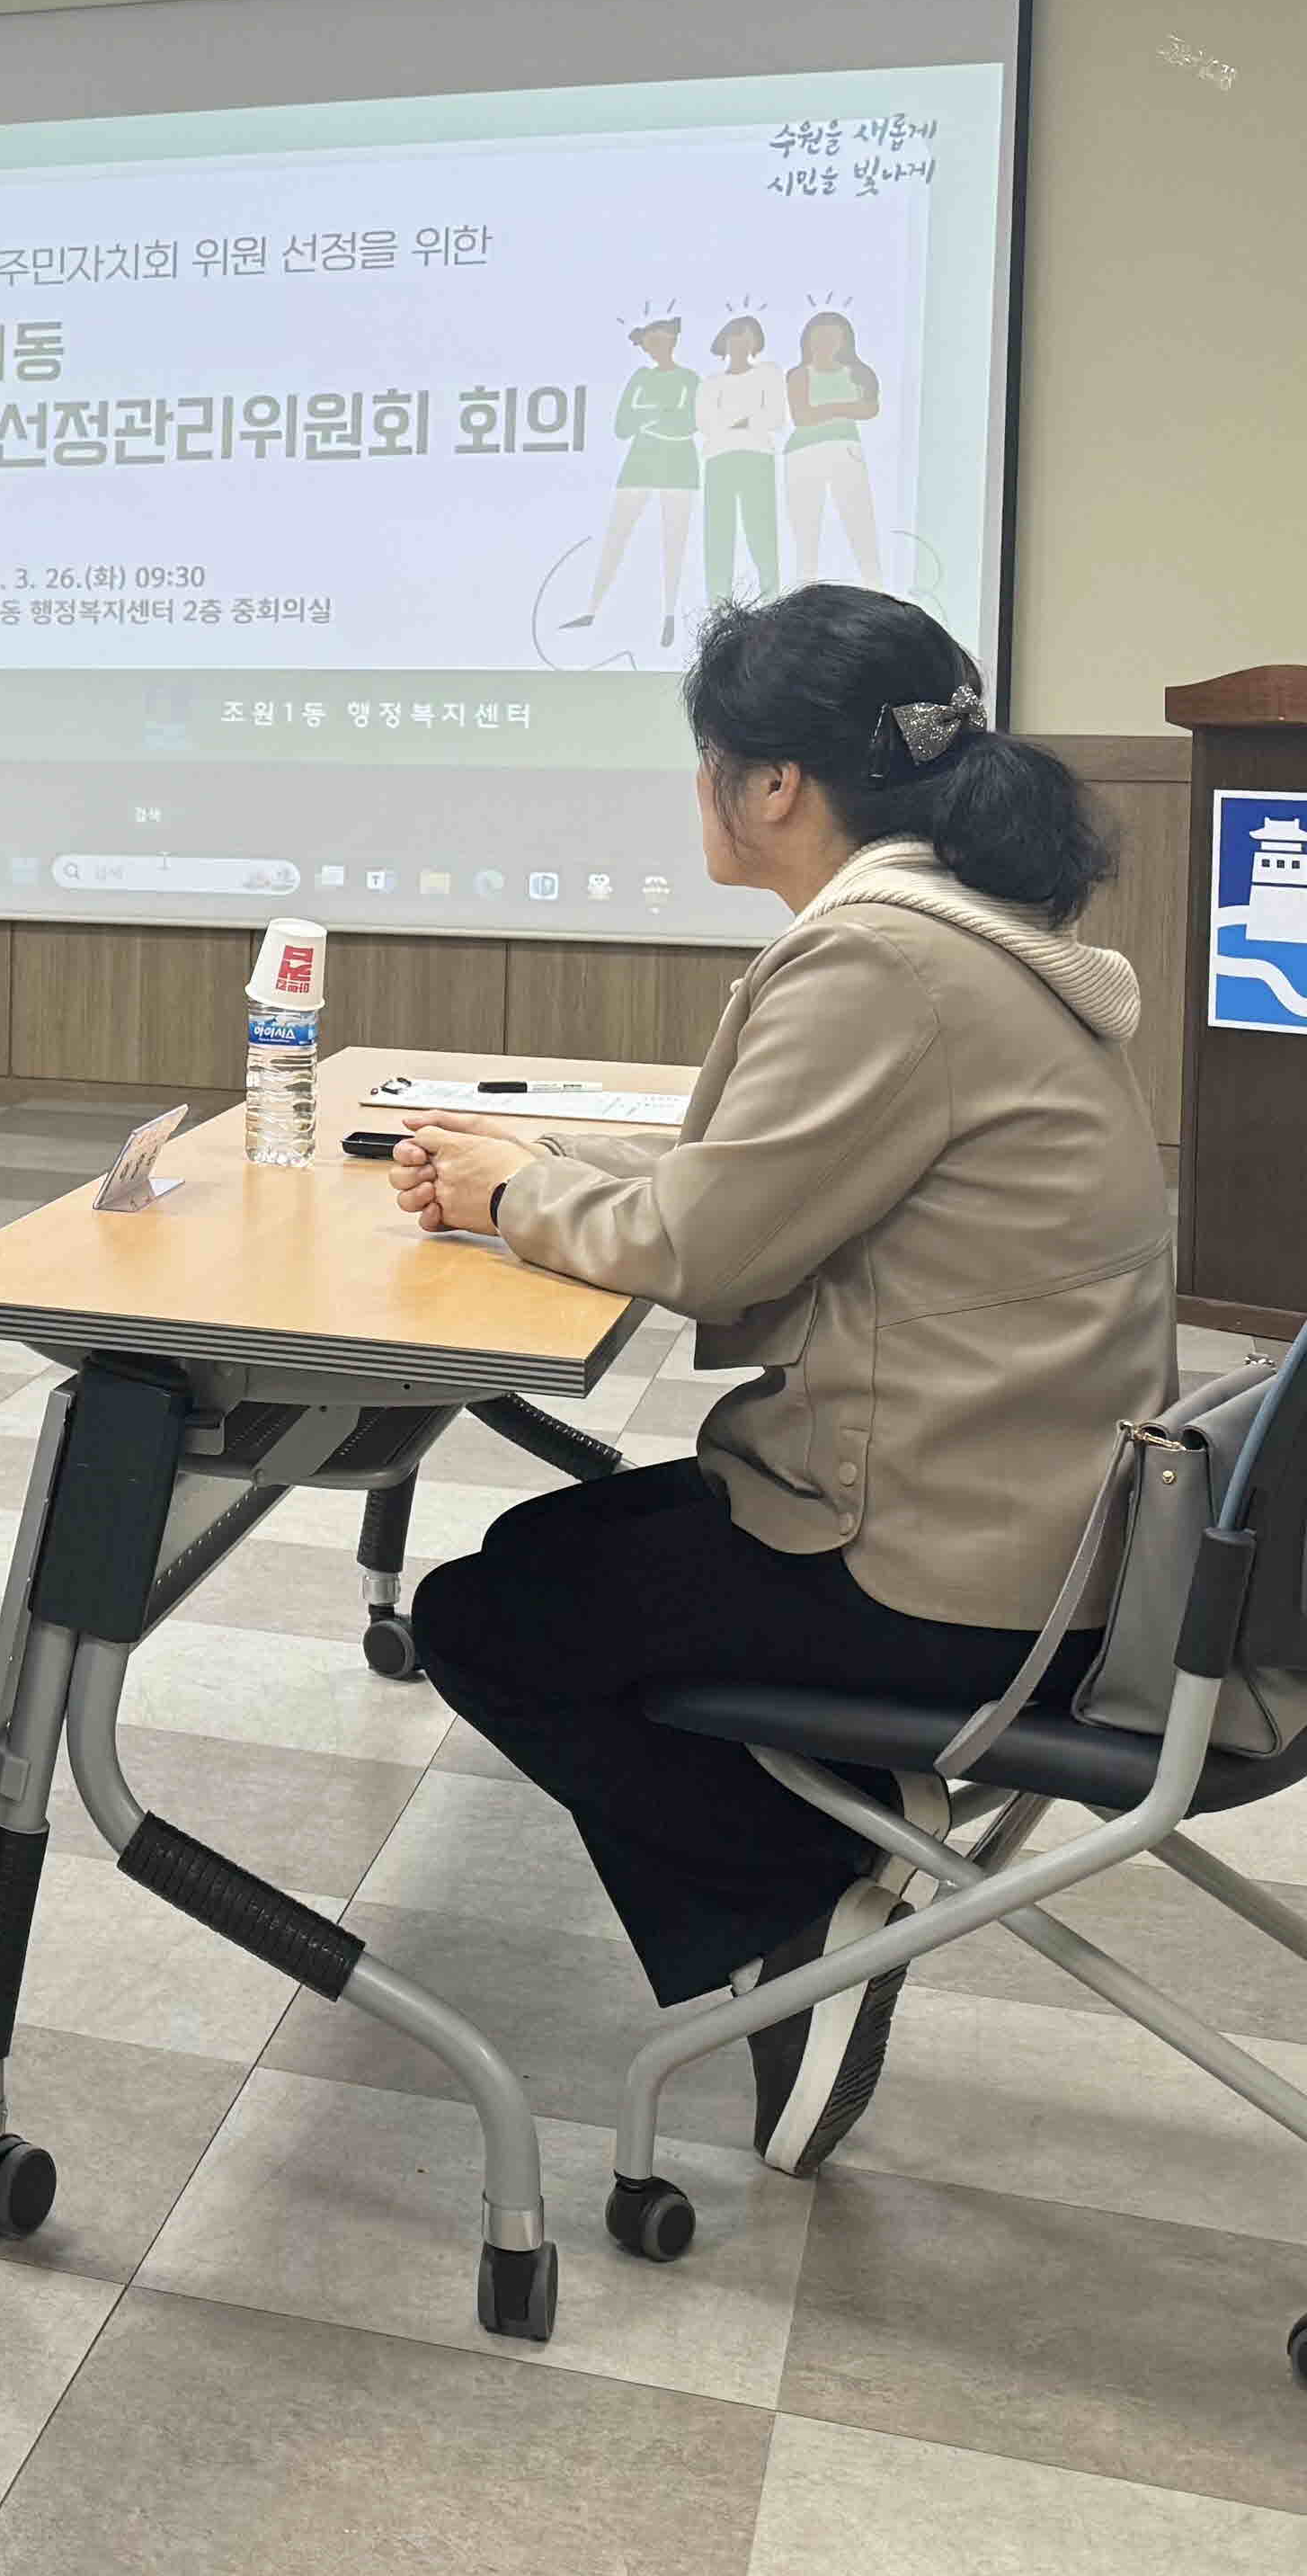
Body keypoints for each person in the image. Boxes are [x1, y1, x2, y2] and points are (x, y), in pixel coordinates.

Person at [387, 584, 1167, 2184]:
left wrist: (503, 1196)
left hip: (944, 1557)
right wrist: (542, 1160)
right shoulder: (955, 937)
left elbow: (713, 1247)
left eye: (708, 762)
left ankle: (789, 1927)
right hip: (1027, 1506)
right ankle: (812, 1859)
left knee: (492, 1617)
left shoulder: (878, 962)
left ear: (770, 788)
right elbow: (764, 1174)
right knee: (548, 1560)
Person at [564, 315, 698, 646]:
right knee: (617, 536)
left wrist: (649, 417)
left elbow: (688, 424)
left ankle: (669, 616)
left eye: (661, 340)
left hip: (680, 465)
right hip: (639, 463)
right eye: (650, 343)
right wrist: (661, 417)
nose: (655, 348)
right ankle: (592, 609)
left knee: (674, 542)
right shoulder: (639, 377)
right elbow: (623, 425)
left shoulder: (689, 379)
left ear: (672, 341)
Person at [782, 310, 885, 587]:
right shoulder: (799, 374)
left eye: (832, 337)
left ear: (844, 341)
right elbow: (802, 417)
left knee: (860, 523)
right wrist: (845, 407)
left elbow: (870, 409)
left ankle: (877, 588)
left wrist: (825, 409)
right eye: (819, 337)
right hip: (803, 455)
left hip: (846, 452)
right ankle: (804, 595)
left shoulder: (857, 373)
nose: (825, 343)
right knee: (806, 531)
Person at [696, 313, 787, 609]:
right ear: (724, 341)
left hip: (757, 459)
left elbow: (773, 417)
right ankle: (717, 608)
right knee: (718, 535)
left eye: (747, 336)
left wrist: (731, 420)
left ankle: (773, 603)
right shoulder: (710, 383)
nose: (740, 342)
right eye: (735, 335)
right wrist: (746, 418)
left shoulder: (768, 374)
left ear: (755, 342)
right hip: (718, 461)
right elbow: (705, 423)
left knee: (761, 533)